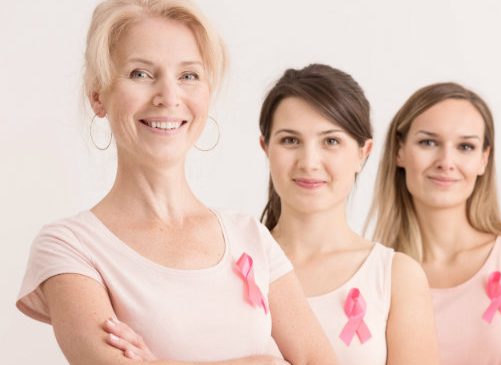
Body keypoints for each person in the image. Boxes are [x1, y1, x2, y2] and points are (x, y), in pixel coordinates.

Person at [15, 1, 336, 364]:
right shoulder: (70, 247)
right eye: (140, 73)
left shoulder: (250, 237)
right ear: (98, 96)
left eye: (188, 76)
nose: (169, 97)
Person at [370, 82, 501, 365]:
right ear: (400, 151)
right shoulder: (374, 275)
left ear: (483, 159)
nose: (447, 161)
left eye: (465, 146)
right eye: (428, 142)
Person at [256, 64, 439, 364]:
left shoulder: (396, 277)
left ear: (363, 152)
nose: (309, 162)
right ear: (266, 147)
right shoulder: (236, 262)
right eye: (290, 140)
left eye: (331, 141)